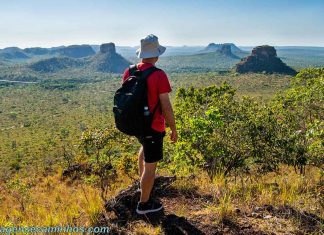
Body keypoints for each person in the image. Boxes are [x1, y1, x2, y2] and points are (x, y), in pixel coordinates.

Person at [121, 34, 177, 214]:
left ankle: (142, 186)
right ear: (157, 54)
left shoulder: (129, 71)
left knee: (144, 150)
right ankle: (144, 205)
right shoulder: (158, 75)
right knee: (151, 166)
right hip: (153, 126)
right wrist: (173, 128)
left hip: (137, 124)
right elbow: (166, 106)